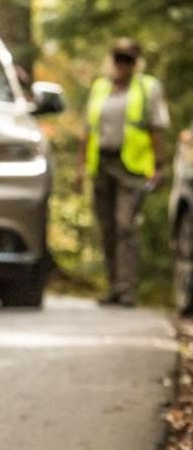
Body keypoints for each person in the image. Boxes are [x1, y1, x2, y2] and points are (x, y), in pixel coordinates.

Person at [76, 38, 169, 307]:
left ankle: (127, 289)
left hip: (132, 168)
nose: (122, 64)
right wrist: (80, 169)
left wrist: (159, 166)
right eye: (118, 57)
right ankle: (113, 287)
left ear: (136, 62)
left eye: (128, 59)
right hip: (102, 165)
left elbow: (156, 129)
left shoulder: (148, 88)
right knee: (107, 228)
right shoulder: (100, 87)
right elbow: (87, 130)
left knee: (125, 225)